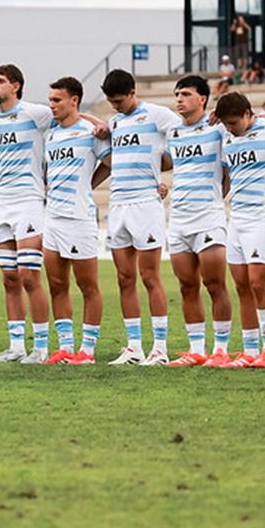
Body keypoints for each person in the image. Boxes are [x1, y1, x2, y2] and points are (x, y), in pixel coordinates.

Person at [101, 69, 180, 365]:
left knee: (150, 276)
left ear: (133, 93)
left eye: (119, 101)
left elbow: (182, 144)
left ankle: (159, 347)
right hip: (118, 203)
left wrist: (162, 177)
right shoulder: (115, 122)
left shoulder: (159, 115)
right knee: (124, 278)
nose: (116, 106)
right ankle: (134, 347)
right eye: (111, 102)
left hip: (145, 204)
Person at [0, 64, 53, 363]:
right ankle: (16, 347)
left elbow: (69, 118)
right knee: (9, 277)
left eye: (0, 81)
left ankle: (41, 347)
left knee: (29, 276)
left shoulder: (36, 113)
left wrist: (96, 122)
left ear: (16, 85)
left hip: (29, 200)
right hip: (4, 202)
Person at [38, 77, 111, 366]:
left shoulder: (90, 132)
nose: (52, 105)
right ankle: (66, 347)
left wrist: (88, 185)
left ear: (74, 101)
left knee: (88, 285)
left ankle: (88, 350)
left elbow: (109, 163)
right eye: (51, 100)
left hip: (79, 217)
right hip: (52, 217)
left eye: (57, 100)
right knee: (56, 284)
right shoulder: (51, 134)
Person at [163, 76, 234, 367]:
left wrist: (215, 198)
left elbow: (228, 173)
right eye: (177, 94)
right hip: (178, 219)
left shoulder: (217, 130)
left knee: (215, 284)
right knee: (186, 286)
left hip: (207, 217)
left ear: (203, 99)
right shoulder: (172, 132)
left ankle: (220, 349)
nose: (179, 99)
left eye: (186, 94)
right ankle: (196, 349)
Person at [214, 92, 265, 369]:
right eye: (226, 123)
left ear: (248, 114)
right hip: (238, 217)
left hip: (264, 217)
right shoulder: (225, 135)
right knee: (242, 285)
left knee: (258, 283)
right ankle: (248, 349)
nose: (230, 128)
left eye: (234, 122)